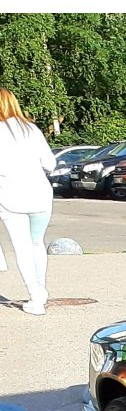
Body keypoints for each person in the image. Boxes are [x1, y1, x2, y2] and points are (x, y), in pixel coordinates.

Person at [0, 88, 57, 315]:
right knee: (36, 243)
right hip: (40, 194)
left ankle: (35, 299)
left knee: (22, 248)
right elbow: (50, 163)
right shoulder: (31, 129)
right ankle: (41, 289)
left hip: (9, 196)